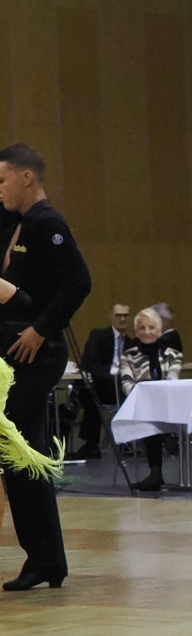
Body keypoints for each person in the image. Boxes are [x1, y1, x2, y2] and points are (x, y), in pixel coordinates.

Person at [0, 144, 91, 591]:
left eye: (2, 179)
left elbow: (79, 282)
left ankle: (44, 558)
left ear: (27, 178)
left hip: (37, 352)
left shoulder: (47, 223)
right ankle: (46, 559)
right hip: (15, 352)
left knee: (15, 446)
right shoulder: (17, 224)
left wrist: (40, 328)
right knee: (22, 450)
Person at [117, 305, 181, 492]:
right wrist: (146, 394)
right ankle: (166, 438)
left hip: (168, 407)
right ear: (136, 332)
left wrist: (156, 395)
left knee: (153, 411)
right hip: (139, 406)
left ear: (160, 330)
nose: (147, 332)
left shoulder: (172, 355)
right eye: (142, 328)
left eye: (152, 327)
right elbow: (127, 384)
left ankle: (156, 472)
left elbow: (173, 381)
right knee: (148, 411)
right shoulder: (128, 356)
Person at [77, 301, 135, 459]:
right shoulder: (98, 336)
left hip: (122, 386)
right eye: (118, 315)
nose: (122, 319)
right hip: (100, 384)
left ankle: (128, 441)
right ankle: (91, 444)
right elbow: (89, 364)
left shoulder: (132, 344)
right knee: (92, 395)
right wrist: (112, 379)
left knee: (133, 392)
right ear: (111, 316)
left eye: (125, 315)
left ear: (130, 318)